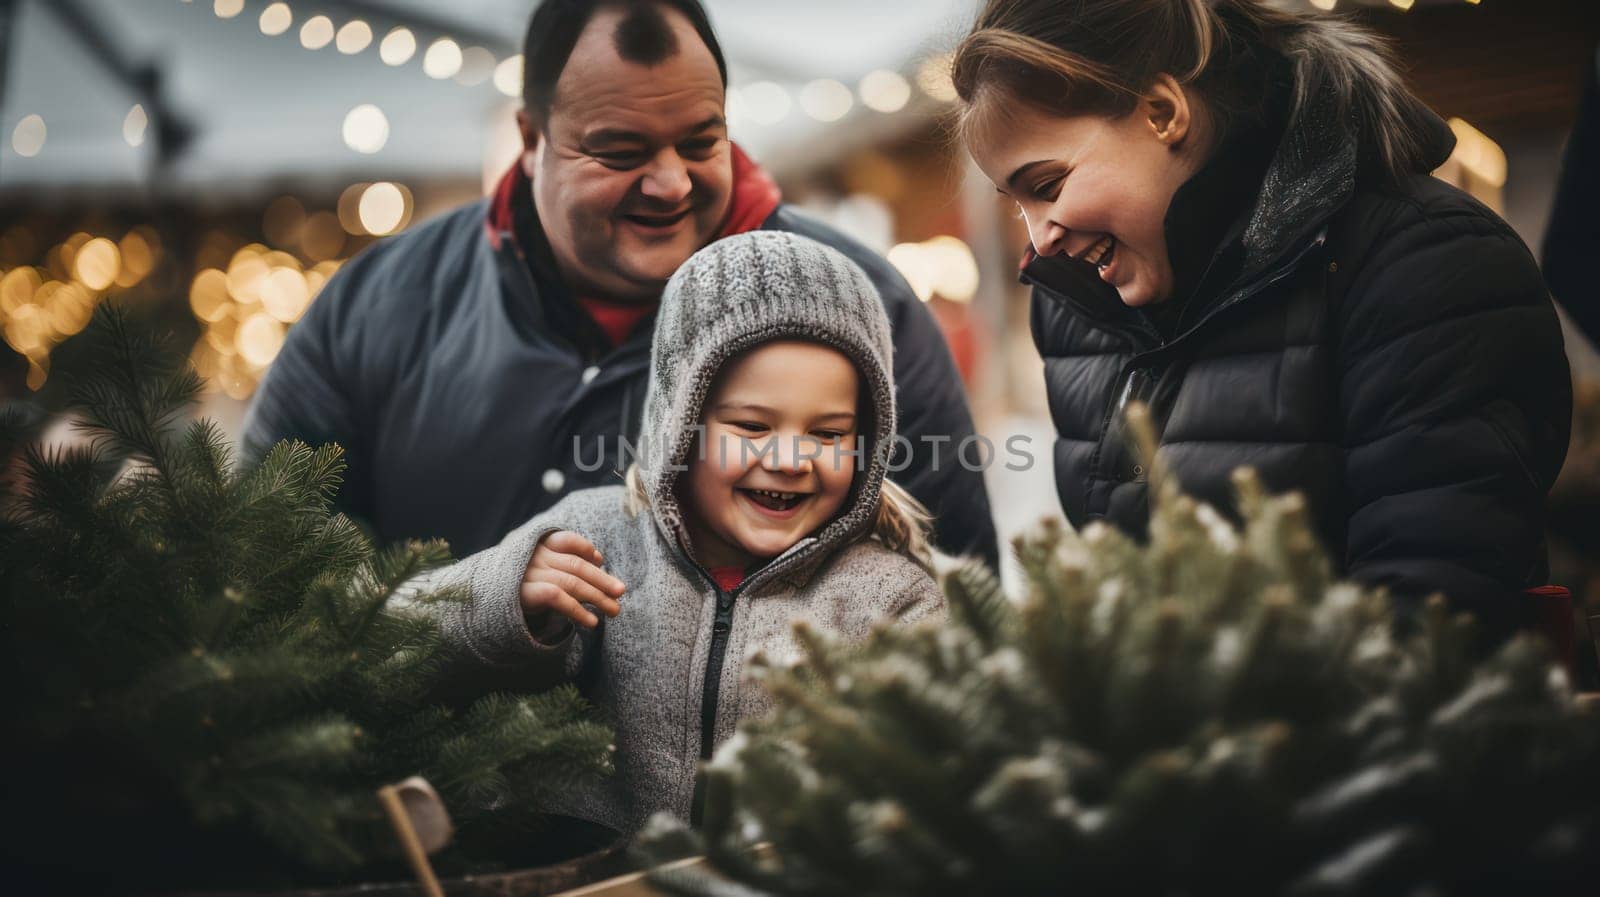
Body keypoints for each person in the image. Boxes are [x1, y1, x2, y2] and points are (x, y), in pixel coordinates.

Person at [243, 0, 998, 569]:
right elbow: (257, 569)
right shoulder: (376, 307)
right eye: (619, 150)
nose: (669, 182)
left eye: (702, 141)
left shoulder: (864, 308)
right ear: (532, 140)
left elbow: (957, 604)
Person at [952, 0, 1571, 637]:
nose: (1039, 239)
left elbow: (1429, 616)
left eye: (1048, 185)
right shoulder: (1075, 308)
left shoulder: (1420, 260)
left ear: (1164, 114)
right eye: (1016, 201)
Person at [411, 232, 946, 834]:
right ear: (680, 422)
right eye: (750, 425)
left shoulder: (891, 599)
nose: (793, 459)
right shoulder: (594, 540)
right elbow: (389, 648)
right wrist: (501, 598)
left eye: (828, 434)